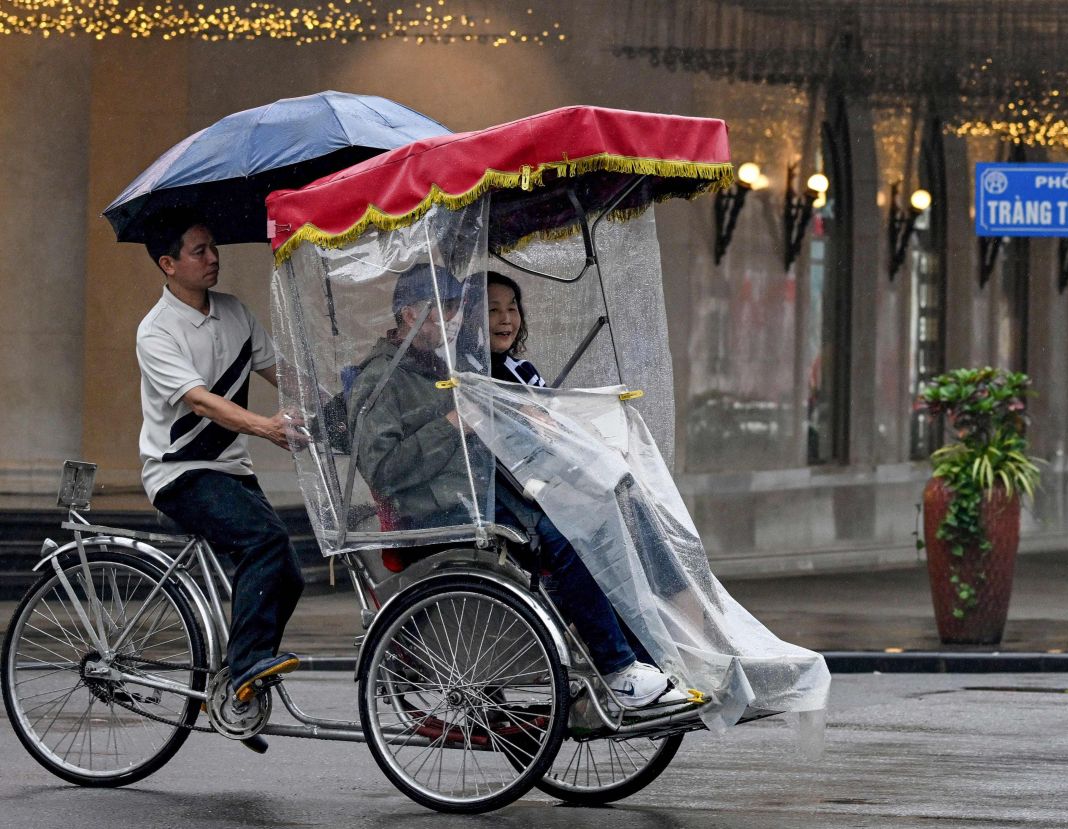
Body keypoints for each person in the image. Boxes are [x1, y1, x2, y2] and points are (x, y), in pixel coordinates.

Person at [349, 265, 685, 707]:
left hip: (486, 495)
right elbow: (385, 471)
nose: (455, 321)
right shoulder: (383, 378)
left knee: (601, 521)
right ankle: (617, 670)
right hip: (444, 512)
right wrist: (453, 424)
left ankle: (644, 662)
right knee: (566, 538)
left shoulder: (441, 365)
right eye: (446, 310)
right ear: (411, 315)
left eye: (456, 309)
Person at [135, 210, 305, 725]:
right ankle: (247, 666)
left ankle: (237, 686)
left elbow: (282, 373)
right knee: (264, 543)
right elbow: (201, 403)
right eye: (199, 251)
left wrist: (337, 400)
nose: (213, 259)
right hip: (180, 472)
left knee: (290, 577)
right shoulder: (156, 331)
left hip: (229, 467)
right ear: (168, 264)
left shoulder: (234, 311)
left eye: (214, 248)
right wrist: (267, 428)